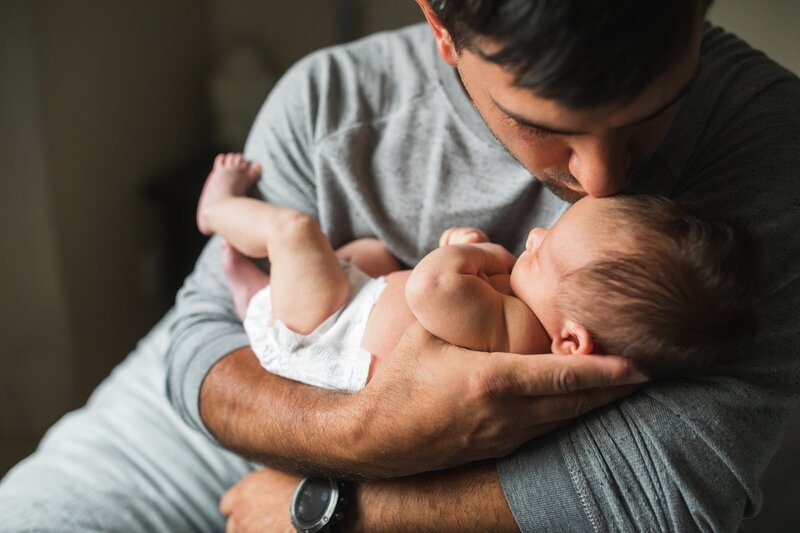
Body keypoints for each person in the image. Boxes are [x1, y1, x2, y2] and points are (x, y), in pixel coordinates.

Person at [1, 0, 798, 531]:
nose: (602, 180)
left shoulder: (767, 141)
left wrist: (329, 509)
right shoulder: (327, 101)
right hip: (249, 398)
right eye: (540, 125)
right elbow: (196, 342)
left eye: (654, 109)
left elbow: (674, 484)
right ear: (442, 29)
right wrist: (366, 433)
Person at [197, 152, 754, 392]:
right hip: (353, 306)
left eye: (542, 255)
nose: (532, 237)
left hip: (322, 331)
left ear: (571, 341)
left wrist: (471, 253)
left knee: (294, 232)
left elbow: (431, 287)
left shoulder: (519, 333)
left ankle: (217, 212)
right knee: (368, 252)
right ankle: (260, 299)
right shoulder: (533, 332)